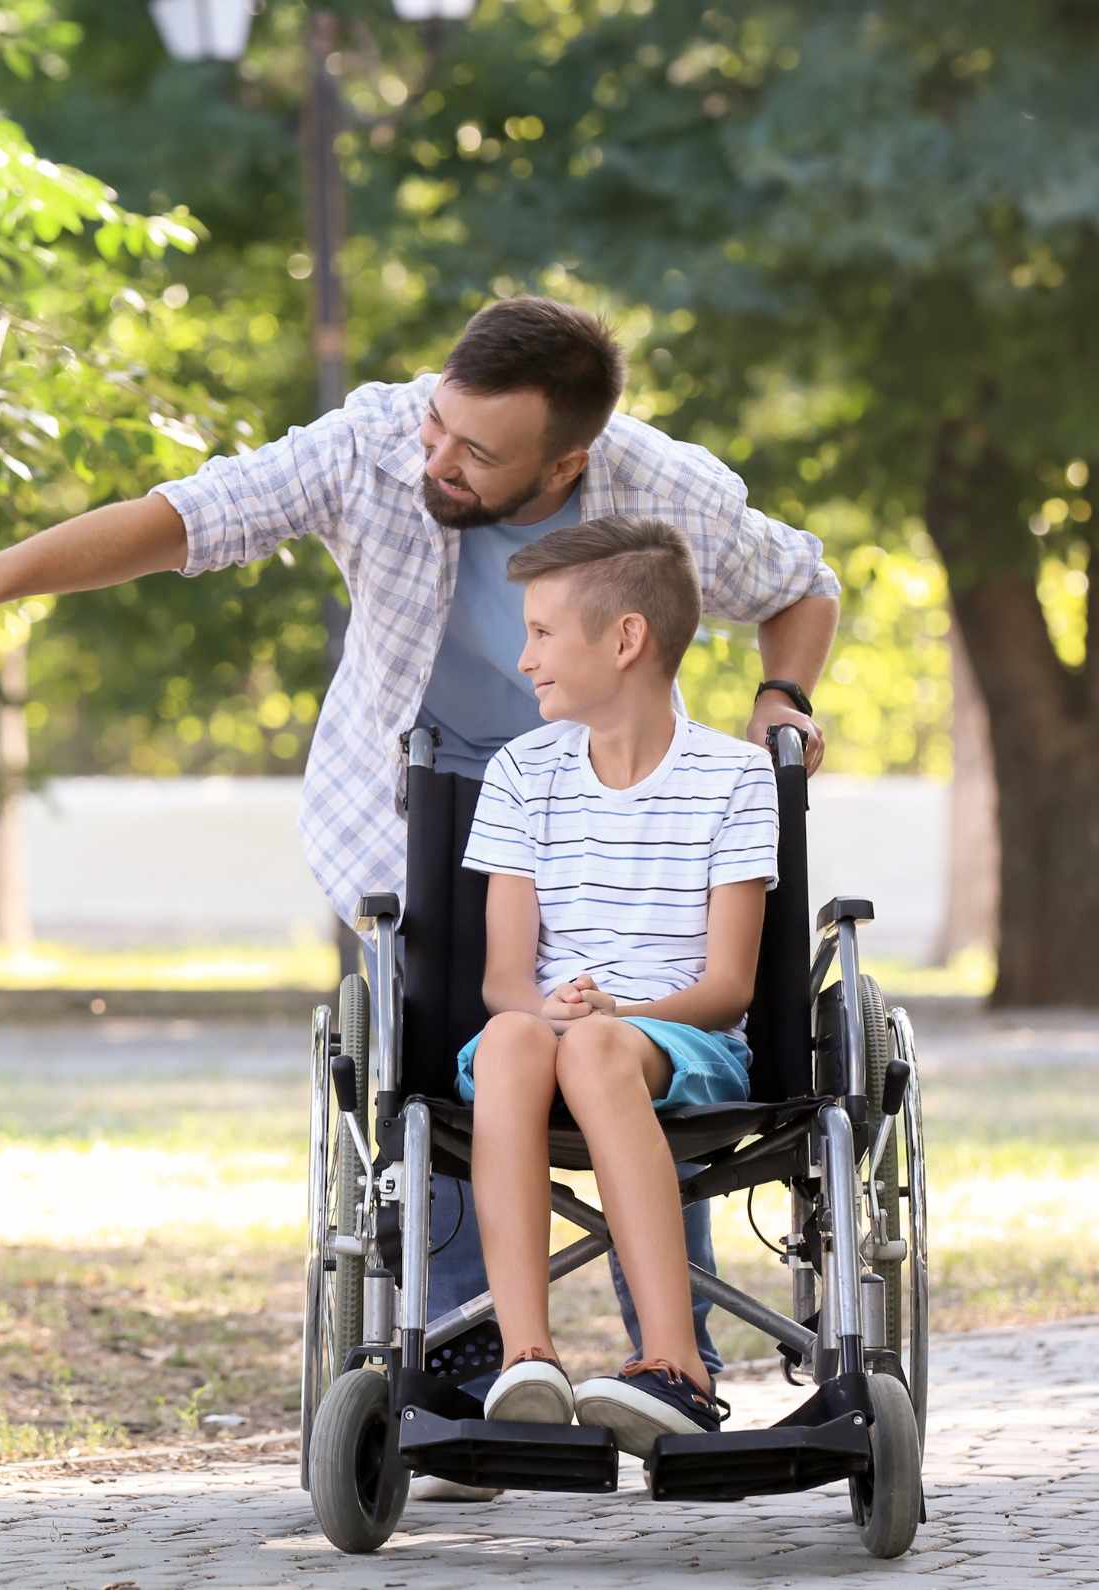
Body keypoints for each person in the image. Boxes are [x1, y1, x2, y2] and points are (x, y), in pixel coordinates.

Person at [0, 297, 838, 1496]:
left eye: (478, 455)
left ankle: (670, 1360)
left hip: (626, 801)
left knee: (624, 1048)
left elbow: (802, 581)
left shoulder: (660, 488)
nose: (439, 462)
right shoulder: (374, 443)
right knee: (452, 1059)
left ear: (566, 463)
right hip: (432, 801)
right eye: (439, 428)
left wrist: (784, 693)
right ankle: (470, 1365)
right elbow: (181, 520)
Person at [456, 515, 774, 1455]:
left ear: (626, 639)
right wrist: (547, 1010)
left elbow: (727, 988)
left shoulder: (735, 778)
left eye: (544, 634)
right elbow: (504, 982)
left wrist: (617, 1016)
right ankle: (528, 1359)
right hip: (547, 1037)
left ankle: (676, 1365)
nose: (525, 659)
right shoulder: (520, 772)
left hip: (684, 1047)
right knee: (518, 1037)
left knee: (594, 1046)